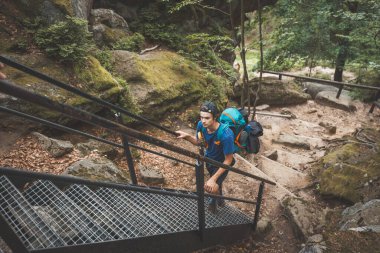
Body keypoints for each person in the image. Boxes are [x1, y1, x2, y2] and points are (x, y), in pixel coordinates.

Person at [176, 101, 235, 213]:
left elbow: (229, 159)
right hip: (209, 160)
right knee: (216, 183)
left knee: (211, 187)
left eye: (207, 118)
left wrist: (213, 178)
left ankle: (213, 205)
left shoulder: (226, 135)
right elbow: (200, 142)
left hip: (222, 164)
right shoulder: (201, 125)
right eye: (201, 117)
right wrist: (187, 136)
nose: (203, 120)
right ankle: (220, 199)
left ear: (215, 117)